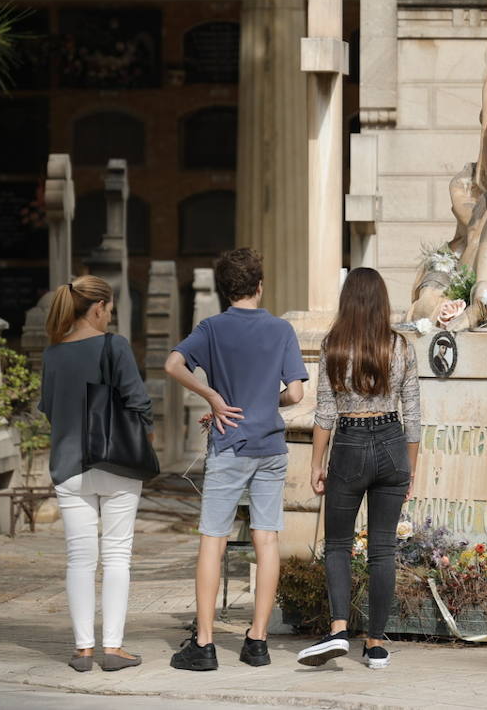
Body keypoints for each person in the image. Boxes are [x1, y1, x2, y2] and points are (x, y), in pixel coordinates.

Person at [165, 248, 307, 671]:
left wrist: (213, 396)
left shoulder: (212, 328)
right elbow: (297, 394)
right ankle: (258, 642)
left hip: (228, 445)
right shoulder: (281, 329)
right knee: (267, 540)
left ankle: (205, 645)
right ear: (260, 286)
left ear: (225, 290)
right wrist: (266, 401)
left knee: (214, 539)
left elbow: (173, 364)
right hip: (271, 447)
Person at [297, 267, 421, 671]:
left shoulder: (334, 345)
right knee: (382, 548)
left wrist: (317, 463)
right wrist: (411, 469)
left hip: (349, 443)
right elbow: (415, 416)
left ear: (347, 302)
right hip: (390, 441)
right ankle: (376, 644)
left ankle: (337, 629)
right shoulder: (400, 347)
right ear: (383, 302)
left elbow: (325, 413)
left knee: (337, 544)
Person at [38, 275, 151, 672]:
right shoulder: (114, 346)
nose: (109, 317)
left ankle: (83, 649)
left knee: (79, 560)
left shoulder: (52, 354)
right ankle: (113, 648)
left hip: (69, 465)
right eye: (110, 310)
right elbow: (139, 402)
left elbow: (49, 409)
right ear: (99, 306)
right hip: (116, 463)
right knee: (117, 554)